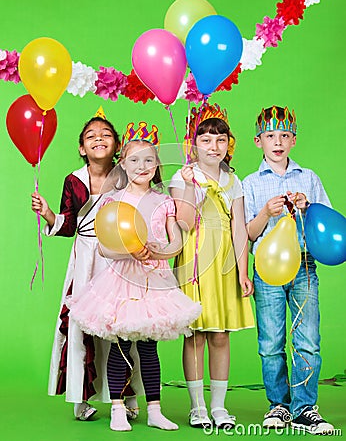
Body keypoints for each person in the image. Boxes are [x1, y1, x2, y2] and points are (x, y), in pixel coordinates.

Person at [68, 121, 202, 431]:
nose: (142, 166)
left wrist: (159, 252)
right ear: (123, 165)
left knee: (149, 348)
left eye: (149, 159)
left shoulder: (164, 201)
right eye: (134, 160)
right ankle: (117, 408)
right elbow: (104, 247)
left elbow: (176, 241)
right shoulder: (113, 200)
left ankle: (154, 409)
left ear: (157, 165)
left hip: (154, 281)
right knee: (120, 344)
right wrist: (128, 251)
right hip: (121, 281)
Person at [31, 108, 140, 421]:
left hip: (118, 256)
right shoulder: (73, 180)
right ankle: (80, 398)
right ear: (82, 147)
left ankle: (126, 396)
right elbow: (68, 226)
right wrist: (49, 213)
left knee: (122, 324)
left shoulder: (125, 176)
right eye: (91, 136)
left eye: (106, 135)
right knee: (80, 326)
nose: (99, 139)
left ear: (117, 144)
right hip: (85, 257)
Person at [242, 106, 335, 435]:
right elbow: (247, 233)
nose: (277, 141)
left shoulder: (308, 178)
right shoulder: (250, 183)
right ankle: (278, 404)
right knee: (270, 341)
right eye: (270, 136)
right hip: (267, 268)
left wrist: (308, 208)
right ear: (258, 141)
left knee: (308, 339)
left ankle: (305, 407)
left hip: (305, 264)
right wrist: (267, 212)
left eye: (284, 135)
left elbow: (327, 226)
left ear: (293, 141)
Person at [169, 103, 255, 429]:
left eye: (220, 140)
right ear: (194, 144)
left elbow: (239, 227)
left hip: (223, 263)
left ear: (228, 145)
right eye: (205, 140)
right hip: (194, 259)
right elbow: (185, 221)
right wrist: (191, 185)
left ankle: (219, 406)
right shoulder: (182, 176)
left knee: (220, 335)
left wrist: (242, 271)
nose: (213, 146)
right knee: (195, 336)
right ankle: (197, 406)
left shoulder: (234, 180)